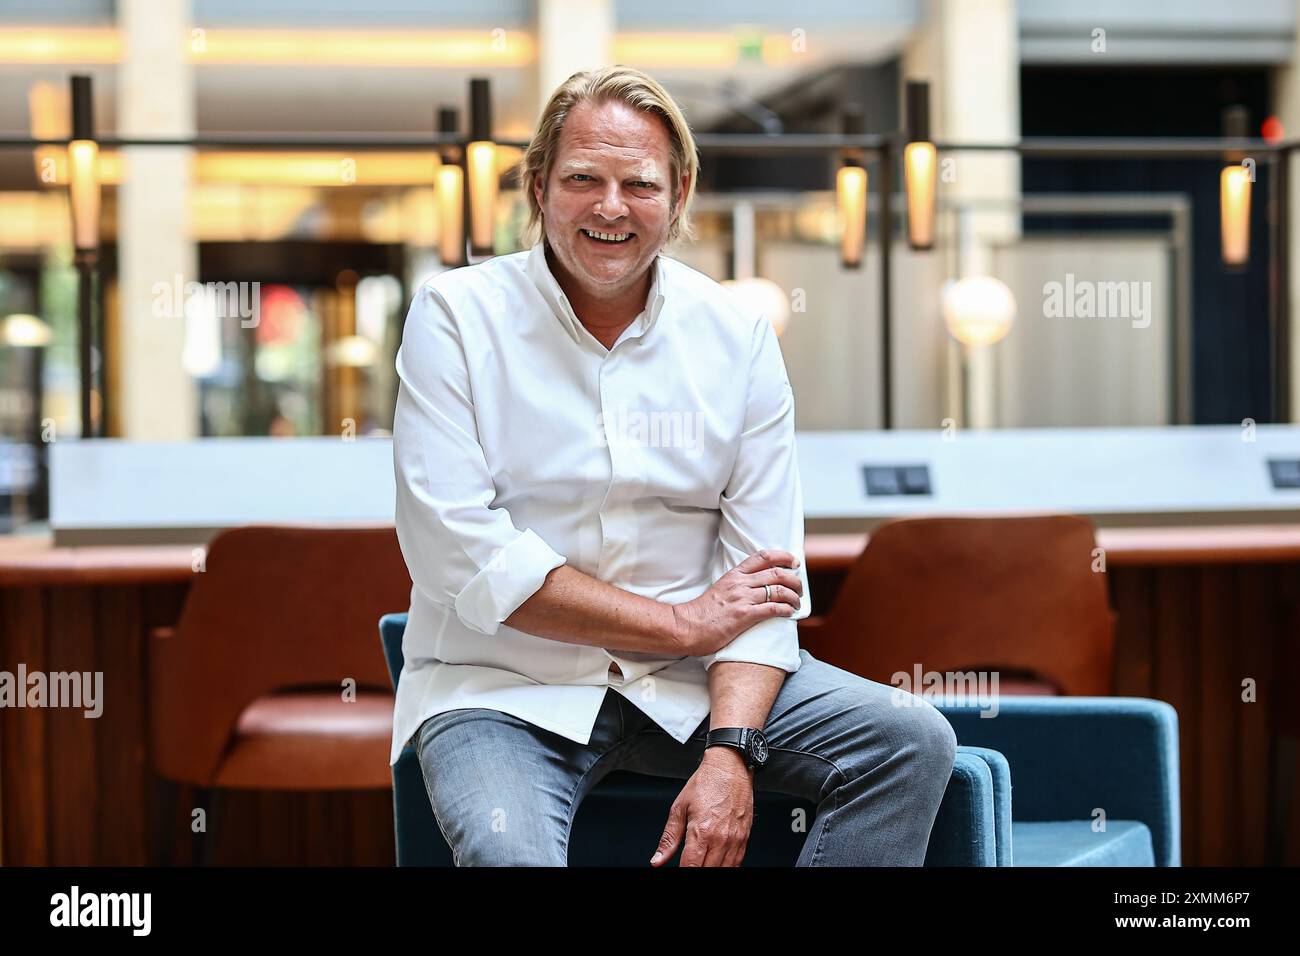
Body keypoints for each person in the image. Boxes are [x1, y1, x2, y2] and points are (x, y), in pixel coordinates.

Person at [390, 64, 957, 866]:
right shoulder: (454, 317)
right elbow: (461, 553)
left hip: (694, 690)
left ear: (681, 192)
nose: (610, 207)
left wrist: (732, 747)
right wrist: (680, 623)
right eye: (583, 177)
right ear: (540, 187)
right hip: (505, 692)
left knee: (910, 741)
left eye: (640, 183)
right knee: (504, 849)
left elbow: (763, 577)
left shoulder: (737, 334)